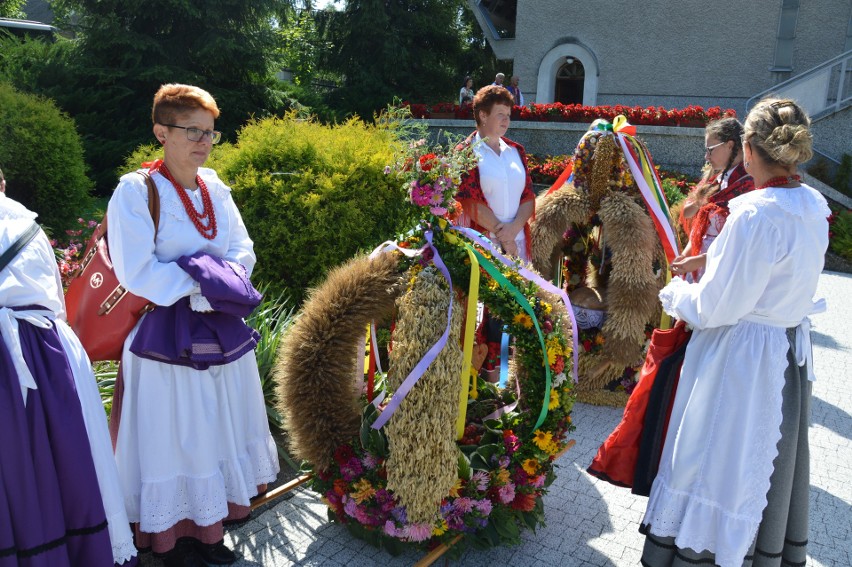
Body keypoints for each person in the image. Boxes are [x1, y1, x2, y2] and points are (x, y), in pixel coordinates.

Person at [639, 98, 829, 567]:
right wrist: (712, 259)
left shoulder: (754, 213)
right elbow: (772, 269)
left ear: (748, 149)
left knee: (717, 461)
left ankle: (699, 555)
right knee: (761, 463)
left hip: (741, 356)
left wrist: (673, 292)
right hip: (785, 351)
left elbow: (716, 306)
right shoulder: (812, 204)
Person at [108, 84, 279, 567]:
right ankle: (171, 540)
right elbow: (136, 269)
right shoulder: (136, 190)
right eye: (192, 131)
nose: (203, 142)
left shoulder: (216, 187)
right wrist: (201, 283)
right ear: (161, 132)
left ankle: (209, 531)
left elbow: (242, 247)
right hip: (165, 332)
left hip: (219, 325)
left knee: (215, 426)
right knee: (173, 430)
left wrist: (222, 278)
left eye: (210, 132)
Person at [1, 176, 137, 566]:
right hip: (46, 355)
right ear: (4, 184)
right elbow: (54, 302)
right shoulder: (25, 223)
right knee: (65, 461)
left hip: (21, 353)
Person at [456, 84, 535, 260]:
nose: (506, 120)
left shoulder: (517, 151)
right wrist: (504, 237)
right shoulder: (466, 152)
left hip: (518, 243)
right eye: (500, 114)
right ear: (483, 115)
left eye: (508, 115)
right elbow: (468, 201)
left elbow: (528, 196)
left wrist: (513, 230)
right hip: (483, 245)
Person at [671, 117, 754, 280]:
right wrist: (686, 255)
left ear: (730, 145)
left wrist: (698, 261)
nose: (706, 156)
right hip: (701, 265)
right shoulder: (717, 179)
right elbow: (693, 219)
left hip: (726, 272)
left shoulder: (751, 183)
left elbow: (739, 245)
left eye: (710, 149)